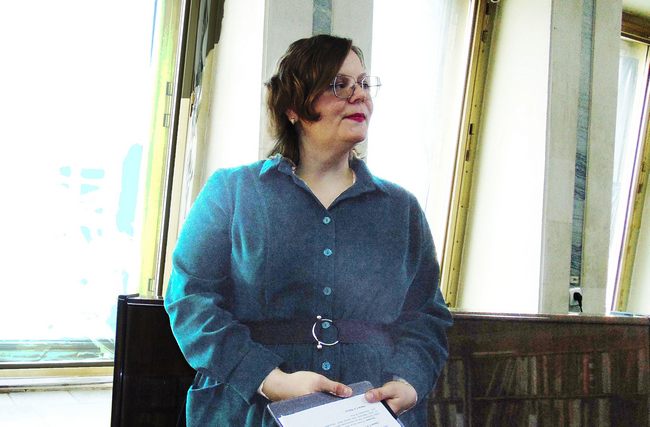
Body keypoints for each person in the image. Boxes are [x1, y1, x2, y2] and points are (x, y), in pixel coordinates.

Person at [165, 34, 453, 426]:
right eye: (340, 84)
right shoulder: (232, 191)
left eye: (364, 83)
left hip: (369, 412)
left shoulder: (402, 208)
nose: (360, 95)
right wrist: (270, 380)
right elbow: (191, 300)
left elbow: (426, 316)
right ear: (293, 108)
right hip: (248, 412)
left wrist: (409, 382)